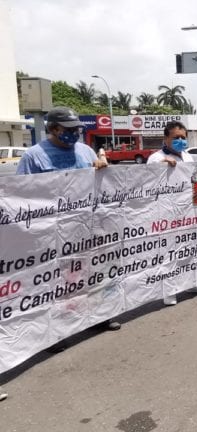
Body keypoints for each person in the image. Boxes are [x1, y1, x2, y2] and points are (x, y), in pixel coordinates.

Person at [15, 107, 120, 355]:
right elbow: (22, 194)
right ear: (53, 129)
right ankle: (53, 333)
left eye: (77, 129)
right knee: (55, 283)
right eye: (69, 130)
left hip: (86, 228)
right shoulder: (34, 156)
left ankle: (99, 317)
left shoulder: (85, 151)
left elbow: (99, 183)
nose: (75, 134)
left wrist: (102, 166)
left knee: (91, 273)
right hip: (53, 231)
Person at [147, 120, 197, 305]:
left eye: (183, 138)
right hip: (167, 214)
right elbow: (148, 182)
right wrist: (161, 165)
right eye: (176, 137)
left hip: (188, 211)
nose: (181, 141)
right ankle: (168, 290)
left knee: (192, 247)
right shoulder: (156, 158)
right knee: (170, 251)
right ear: (166, 138)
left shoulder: (187, 156)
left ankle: (196, 282)